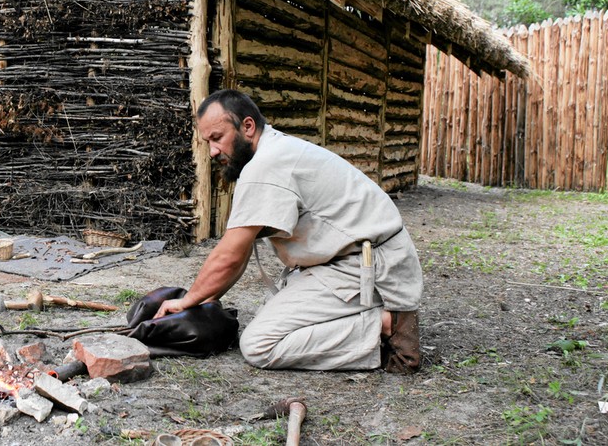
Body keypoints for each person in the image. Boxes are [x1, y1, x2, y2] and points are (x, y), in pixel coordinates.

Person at [154, 89, 423, 373]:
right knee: (275, 313)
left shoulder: (266, 165)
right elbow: (240, 250)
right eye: (208, 141)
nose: (213, 151)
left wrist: (188, 300)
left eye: (218, 138)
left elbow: (230, 255)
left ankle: (386, 324)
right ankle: (369, 315)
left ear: (247, 126)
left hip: (371, 267)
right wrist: (206, 297)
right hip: (354, 259)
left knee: (259, 344)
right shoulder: (274, 152)